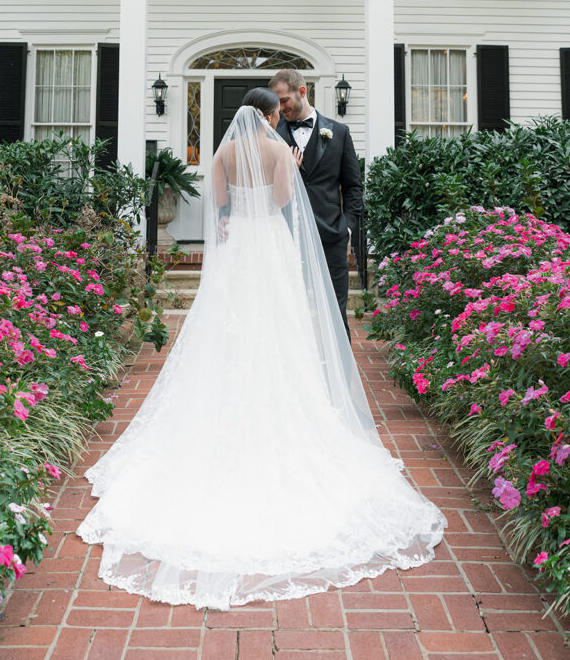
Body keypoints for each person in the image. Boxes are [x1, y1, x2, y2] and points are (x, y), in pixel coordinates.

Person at [76, 89, 447, 611]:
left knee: (229, 324)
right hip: (269, 242)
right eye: (278, 114)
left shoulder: (224, 153)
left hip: (236, 248)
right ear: (272, 115)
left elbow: (219, 201)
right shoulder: (278, 150)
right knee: (280, 324)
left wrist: (229, 217)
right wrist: (290, 165)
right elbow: (279, 202)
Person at [269, 68, 363, 342]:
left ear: (302, 92)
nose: (280, 107)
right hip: (285, 237)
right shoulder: (271, 136)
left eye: (284, 100)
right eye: (276, 103)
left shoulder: (339, 132)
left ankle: (341, 382)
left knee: (335, 313)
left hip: (330, 237)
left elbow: (353, 186)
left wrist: (347, 227)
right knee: (286, 315)